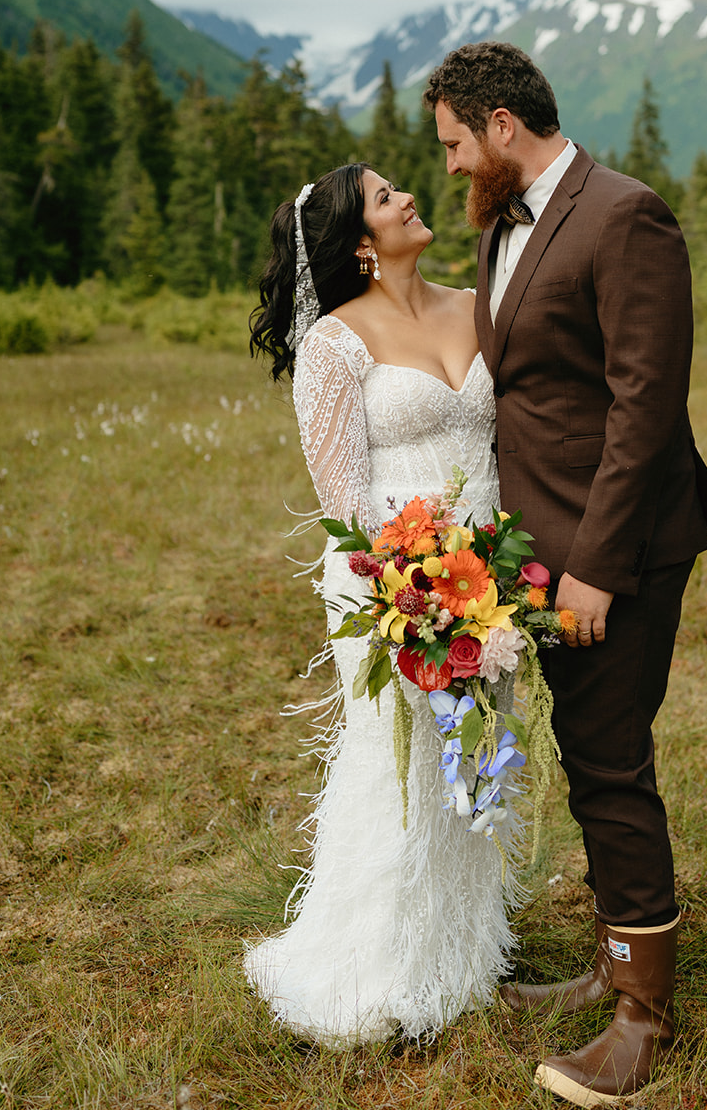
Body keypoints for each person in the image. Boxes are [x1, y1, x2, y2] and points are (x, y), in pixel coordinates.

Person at [425, 43, 707, 1108]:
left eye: (458, 144)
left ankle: (641, 1019)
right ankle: (610, 963)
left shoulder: (623, 214)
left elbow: (645, 406)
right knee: (584, 748)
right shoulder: (504, 226)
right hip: (542, 547)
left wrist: (593, 570)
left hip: (618, 553)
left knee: (610, 764)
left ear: (502, 124)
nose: (454, 166)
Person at [243, 162, 518, 1045]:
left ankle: (461, 957)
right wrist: (415, 588)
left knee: (476, 760)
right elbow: (343, 496)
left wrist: (482, 583)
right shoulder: (334, 344)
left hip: (490, 577)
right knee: (399, 763)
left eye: (401, 185)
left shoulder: (476, 304)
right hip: (386, 586)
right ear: (359, 241)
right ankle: (371, 965)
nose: (407, 197)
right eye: (385, 196)